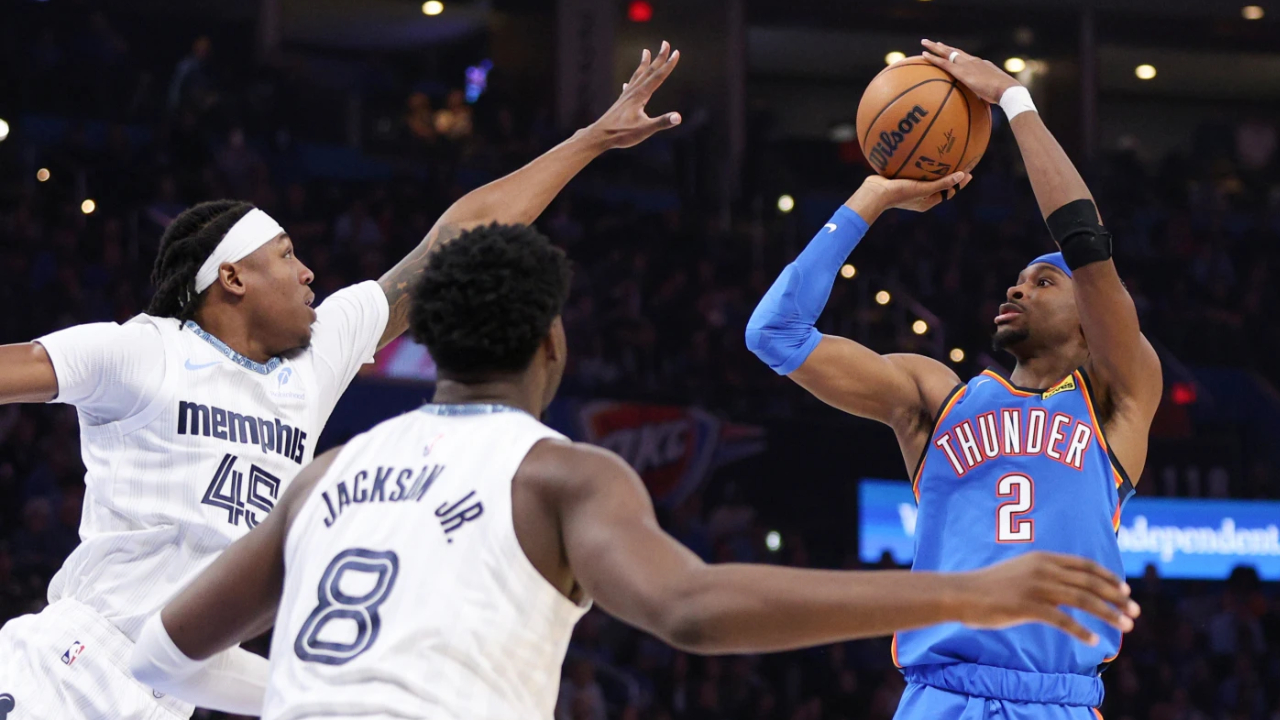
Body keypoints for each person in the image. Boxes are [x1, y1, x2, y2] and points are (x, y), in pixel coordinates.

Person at [129, 219, 1136, 719]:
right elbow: (691, 611)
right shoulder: (562, 474)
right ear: (552, 347)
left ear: (426, 342)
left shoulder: (325, 474)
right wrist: (965, 590)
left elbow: (163, 652)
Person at [0, 41, 687, 720]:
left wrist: (592, 139)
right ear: (231, 277)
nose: (308, 273)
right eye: (286, 255)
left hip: (174, 686)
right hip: (65, 669)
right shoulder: (138, 352)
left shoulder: (314, 357)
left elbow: (454, 239)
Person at [745, 40, 1163, 720]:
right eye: (1019, 279)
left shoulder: (1115, 399)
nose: (1017, 287)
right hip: (942, 697)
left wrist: (1013, 100)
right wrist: (871, 199)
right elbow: (774, 335)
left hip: (1057, 700)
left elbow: (1086, 243)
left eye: (1043, 281)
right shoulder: (936, 397)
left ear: (1088, 318)